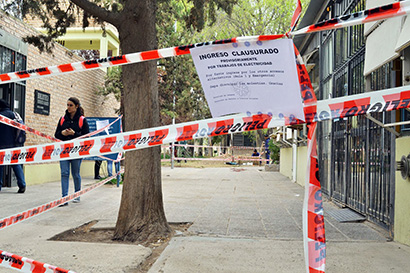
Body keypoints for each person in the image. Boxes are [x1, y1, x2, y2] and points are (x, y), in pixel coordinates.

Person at [55, 97, 89, 205]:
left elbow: (86, 137)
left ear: (76, 106)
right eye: (67, 105)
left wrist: (74, 134)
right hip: (64, 150)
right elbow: (56, 134)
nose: (68, 107)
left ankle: (77, 195)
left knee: (75, 173)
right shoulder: (62, 119)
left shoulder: (82, 120)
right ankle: (64, 198)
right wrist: (63, 133)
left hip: (77, 150)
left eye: (71, 105)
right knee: (64, 173)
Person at [0, 99, 26, 193]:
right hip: (14, 144)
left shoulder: (1, 116)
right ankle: (22, 185)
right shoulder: (14, 115)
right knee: (15, 164)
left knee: (0, 166)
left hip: (1, 143)